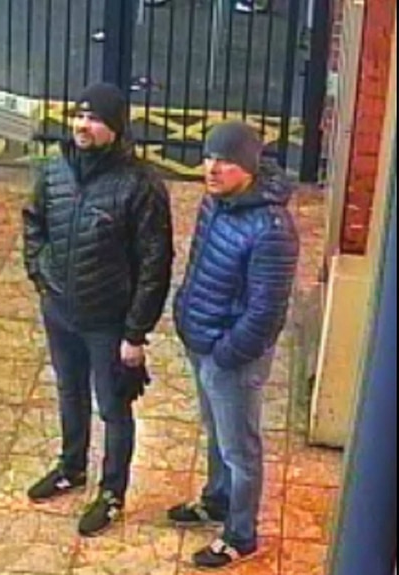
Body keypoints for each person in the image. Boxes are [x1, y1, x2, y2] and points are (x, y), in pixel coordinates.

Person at [23, 82, 174, 537]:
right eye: (79, 116)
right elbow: (35, 223)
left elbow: (155, 263)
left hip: (109, 322)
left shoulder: (140, 185)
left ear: (115, 128)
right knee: (70, 392)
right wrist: (40, 276)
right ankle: (72, 467)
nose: (82, 126)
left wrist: (136, 333)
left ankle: (112, 493)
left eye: (94, 120)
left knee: (113, 407)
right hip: (61, 311)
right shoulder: (55, 171)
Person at [168, 120, 300, 570]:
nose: (212, 167)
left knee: (240, 450)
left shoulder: (272, 228)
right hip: (201, 337)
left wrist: (226, 354)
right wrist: (183, 308)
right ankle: (217, 499)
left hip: (232, 356)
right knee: (217, 432)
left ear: (248, 167)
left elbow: (266, 312)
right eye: (208, 157)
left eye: (225, 161)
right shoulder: (215, 203)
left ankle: (241, 536)